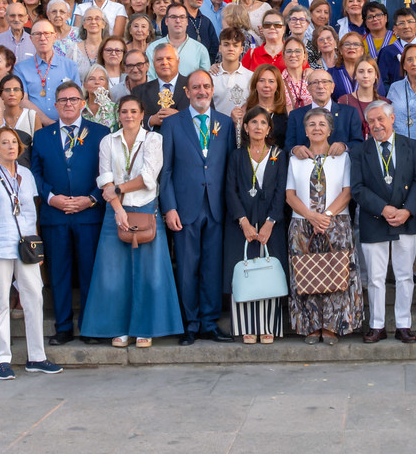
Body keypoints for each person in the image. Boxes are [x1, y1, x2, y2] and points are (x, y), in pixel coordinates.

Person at [82, 95, 181, 347]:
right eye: (124, 111)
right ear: (118, 115)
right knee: (113, 274)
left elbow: (148, 177)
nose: (128, 116)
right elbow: (105, 178)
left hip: (146, 209)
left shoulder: (154, 139)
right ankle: (119, 329)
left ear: (141, 113)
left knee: (150, 274)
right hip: (115, 212)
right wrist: (117, 208)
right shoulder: (108, 141)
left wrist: (118, 189)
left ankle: (145, 329)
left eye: (133, 111)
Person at [0, 127, 63, 380]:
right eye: (5, 142)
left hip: (26, 246)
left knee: (34, 298)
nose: (11, 146)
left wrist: (37, 244)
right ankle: (1, 359)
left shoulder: (26, 174)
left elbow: (31, 211)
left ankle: (37, 356)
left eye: (14, 142)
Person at [159, 67, 234, 344]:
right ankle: (189, 323)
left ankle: (209, 322)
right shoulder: (172, 124)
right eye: (196, 87)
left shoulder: (225, 124)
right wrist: (169, 208)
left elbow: (228, 169)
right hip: (184, 208)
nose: (201, 91)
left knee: (212, 267)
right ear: (187, 92)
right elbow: (165, 171)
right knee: (188, 267)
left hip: (216, 208)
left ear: (212, 91)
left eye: (206, 86)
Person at [27, 82, 105, 345]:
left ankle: (90, 326)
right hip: (55, 216)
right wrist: (51, 198)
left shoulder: (101, 133)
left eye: (73, 99)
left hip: (89, 215)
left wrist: (91, 199)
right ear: (56, 105)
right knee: (58, 273)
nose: (68, 104)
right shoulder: (42, 136)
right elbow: (34, 174)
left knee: (88, 272)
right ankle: (62, 327)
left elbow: (108, 173)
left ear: (82, 102)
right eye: (63, 100)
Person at [351, 100, 416, 344]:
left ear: (392, 119)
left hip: (405, 220)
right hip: (374, 219)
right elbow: (358, 189)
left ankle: (404, 324)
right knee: (375, 278)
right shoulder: (360, 151)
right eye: (371, 121)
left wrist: (408, 211)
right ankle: (377, 325)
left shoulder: (411, 146)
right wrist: (383, 209)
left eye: (380, 119)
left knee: (405, 276)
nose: (376, 125)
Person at [284, 109, 360, 343]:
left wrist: (325, 216)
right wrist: (310, 216)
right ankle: (311, 326)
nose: (317, 128)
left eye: (321, 124)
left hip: (336, 223)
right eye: (311, 125)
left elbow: (348, 192)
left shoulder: (342, 157)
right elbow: (290, 194)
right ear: (305, 130)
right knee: (306, 275)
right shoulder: (296, 158)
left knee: (335, 273)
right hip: (302, 225)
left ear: (330, 129)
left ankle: (332, 326)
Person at [225, 107, 288, 344]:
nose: (258, 126)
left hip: (271, 222)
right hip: (242, 223)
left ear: (269, 128)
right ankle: (247, 326)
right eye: (253, 122)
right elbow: (230, 190)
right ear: (246, 127)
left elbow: (282, 190)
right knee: (246, 272)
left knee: (268, 272)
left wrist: (271, 222)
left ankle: (268, 325)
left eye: (263, 122)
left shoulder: (279, 154)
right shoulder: (237, 155)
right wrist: (243, 222)